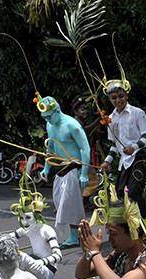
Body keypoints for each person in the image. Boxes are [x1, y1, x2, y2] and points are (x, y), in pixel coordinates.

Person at [37, 95, 90, 248]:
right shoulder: (50, 125)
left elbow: (85, 148)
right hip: (59, 168)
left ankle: (78, 237)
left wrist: (84, 173)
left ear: (57, 110)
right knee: (60, 203)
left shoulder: (72, 125)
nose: (47, 120)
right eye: (44, 117)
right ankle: (75, 236)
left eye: (49, 116)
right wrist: (46, 168)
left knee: (71, 204)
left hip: (74, 168)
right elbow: (51, 148)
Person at [98, 78, 146, 217]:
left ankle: (144, 222)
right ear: (110, 99)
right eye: (114, 98)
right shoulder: (111, 118)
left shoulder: (137, 113)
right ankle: (129, 223)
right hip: (125, 160)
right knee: (120, 191)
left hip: (140, 156)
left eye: (121, 96)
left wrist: (134, 147)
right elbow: (114, 146)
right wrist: (107, 161)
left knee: (133, 192)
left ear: (127, 96)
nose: (118, 100)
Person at [11, 180, 61, 279]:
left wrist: (42, 262)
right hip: (34, 264)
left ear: (36, 216)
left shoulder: (47, 230)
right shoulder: (27, 229)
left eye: (28, 217)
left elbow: (58, 256)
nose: (25, 222)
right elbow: (8, 238)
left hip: (47, 270)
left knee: (21, 256)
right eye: (22, 218)